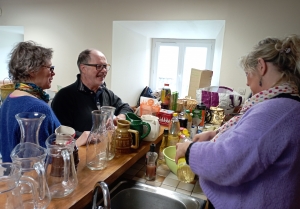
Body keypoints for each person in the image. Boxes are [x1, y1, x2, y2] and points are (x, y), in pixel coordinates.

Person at [175, 34, 300, 208]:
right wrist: (215, 134)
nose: (247, 83)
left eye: (248, 74)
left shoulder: (275, 111)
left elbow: (228, 161)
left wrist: (189, 149)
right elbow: (252, 143)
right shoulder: (287, 104)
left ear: (262, 67)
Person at [51, 49, 133, 138]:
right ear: (83, 69)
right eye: (99, 66)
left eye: (105, 66)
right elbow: (61, 132)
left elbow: (126, 107)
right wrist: (91, 136)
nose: (104, 71)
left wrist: (121, 117)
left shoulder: (106, 92)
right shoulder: (64, 97)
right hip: (82, 150)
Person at [0, 41, 60, 162]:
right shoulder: (37, 108)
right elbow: (41, 163)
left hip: (14, 177)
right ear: (31, 70)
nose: (53, 73)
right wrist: (76, 144)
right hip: (32, 179)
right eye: (50, 68)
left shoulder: (9, 99)